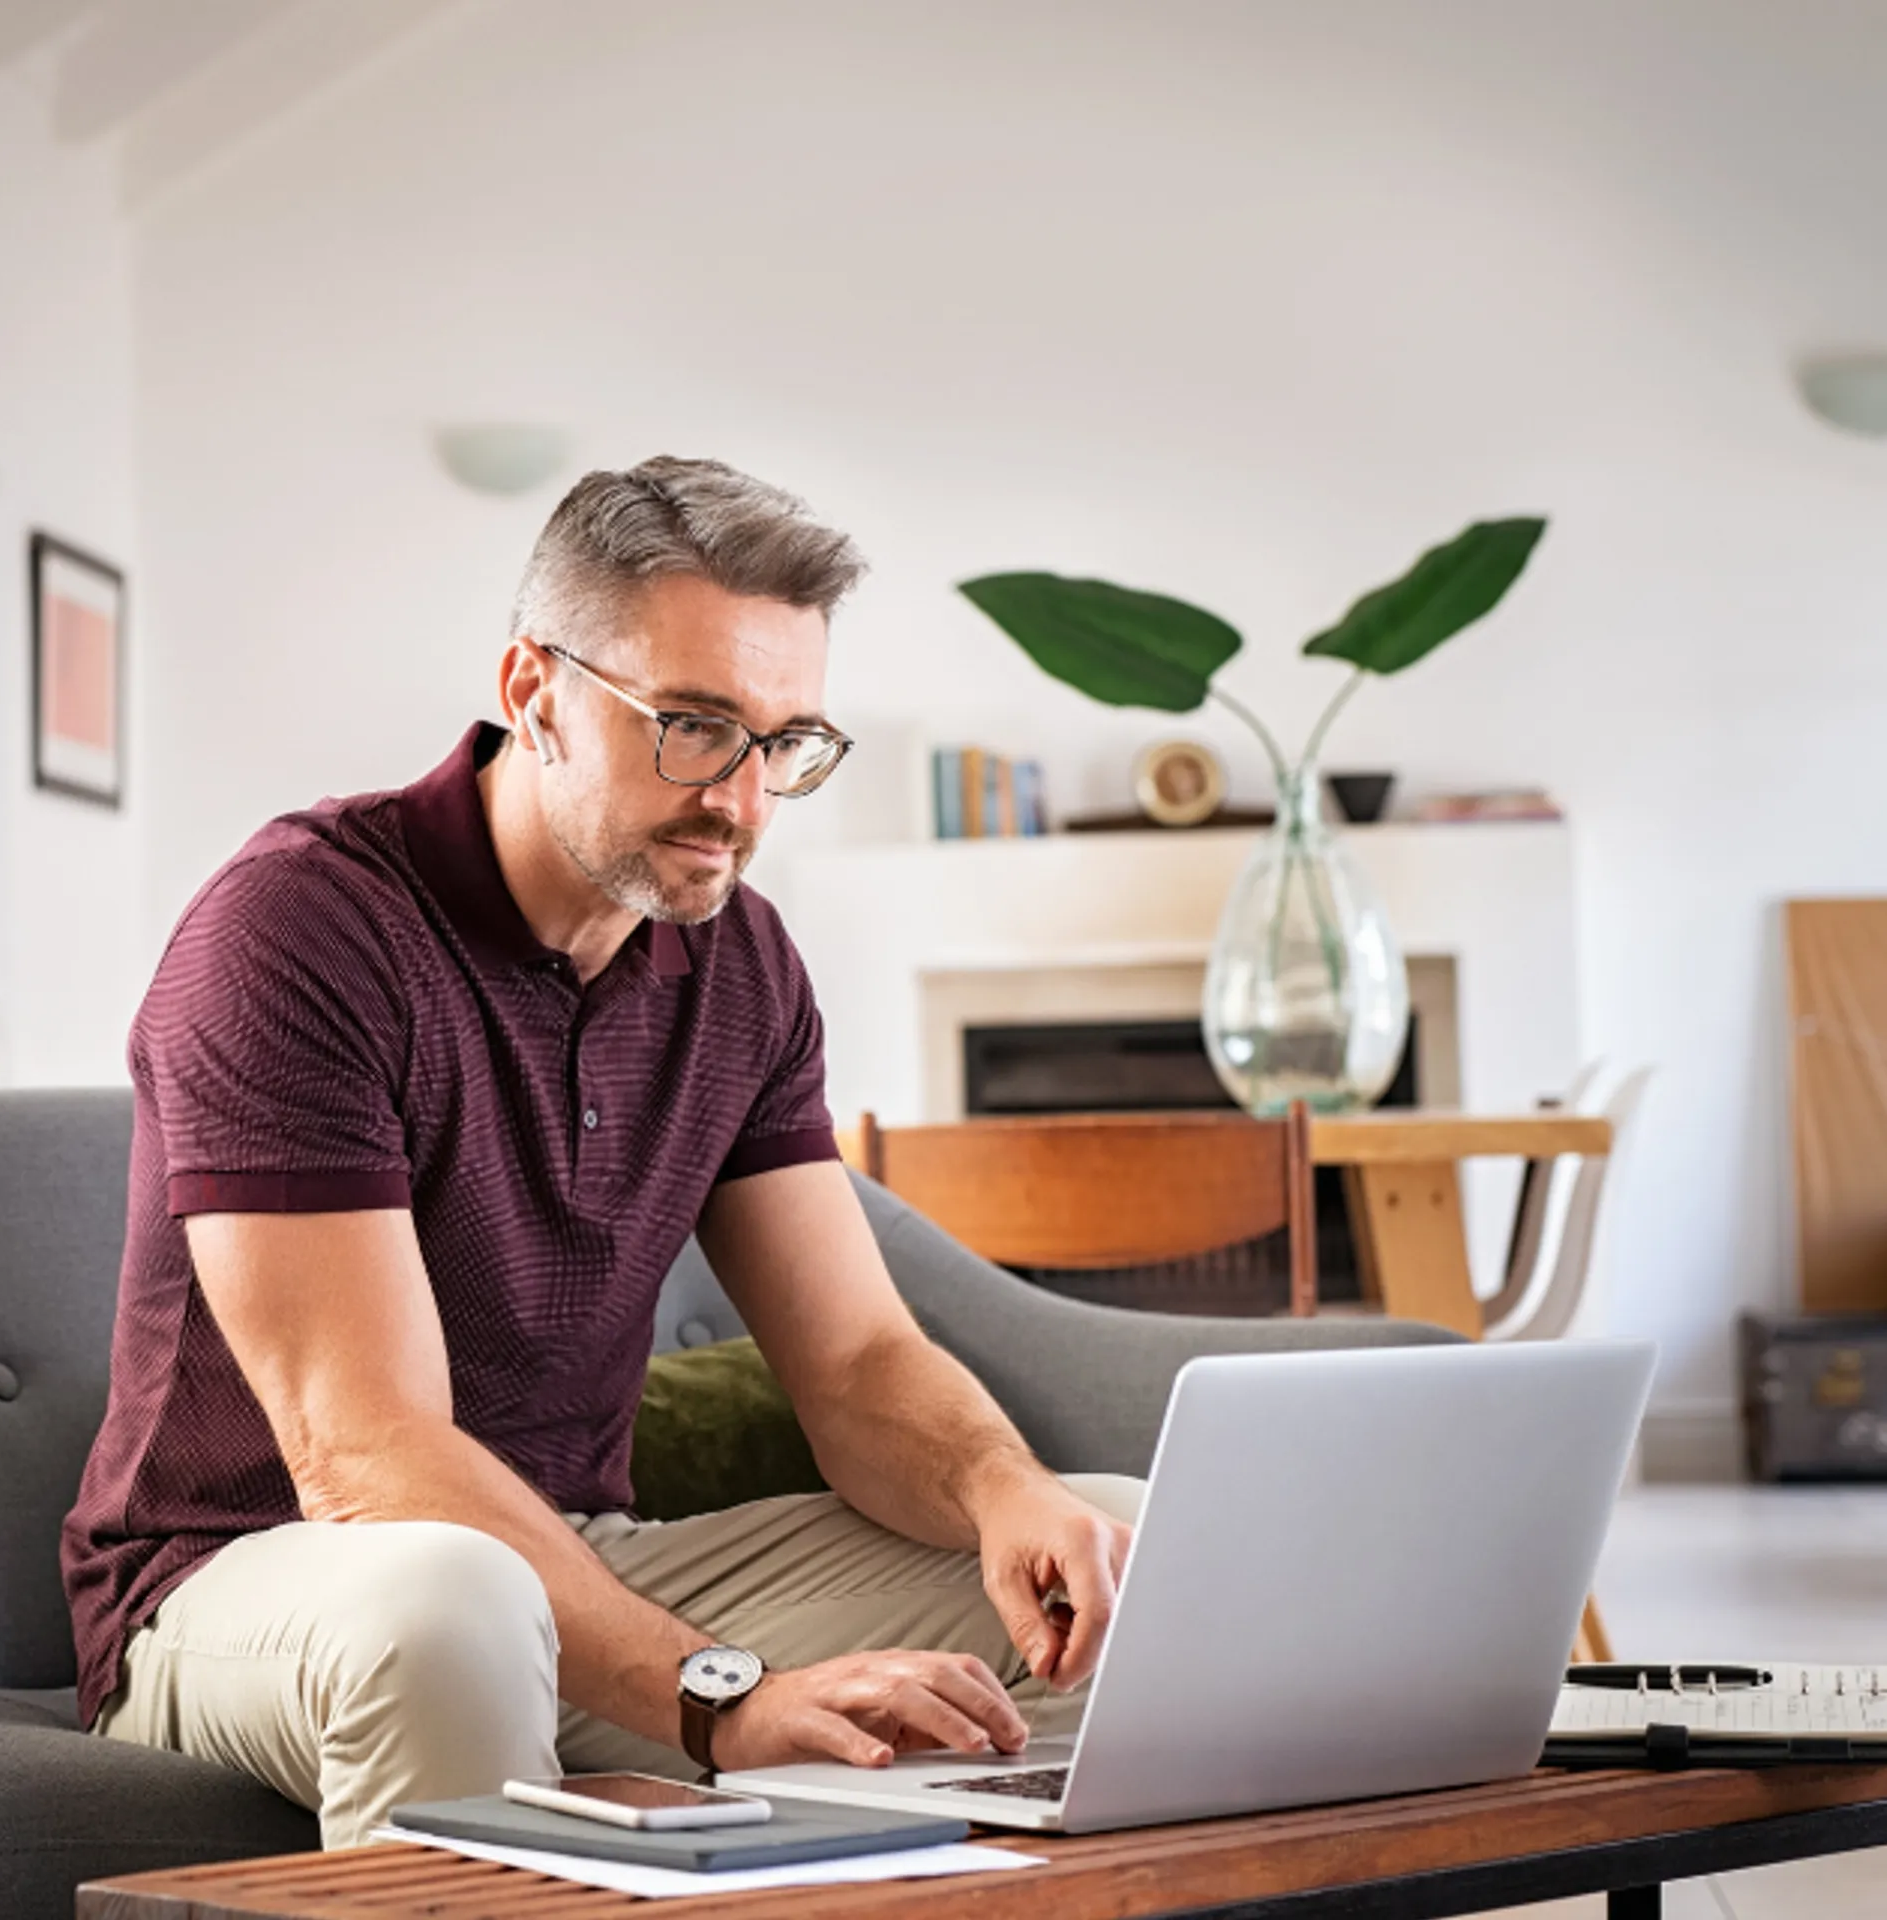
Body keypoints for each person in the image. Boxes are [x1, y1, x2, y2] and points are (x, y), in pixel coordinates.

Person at [60, 456, 1145, 1849]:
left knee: (1116, 1556)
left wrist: (1006, 1489)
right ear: (534, 691)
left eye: (785, 742)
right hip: (243, 1583)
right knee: (453, 1601)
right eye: (693, 728)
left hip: (584, 1559)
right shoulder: (295, 933)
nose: (743, 801)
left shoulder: (738, 963)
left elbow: (862, 1366)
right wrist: (715, 1698)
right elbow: (366, 1456)